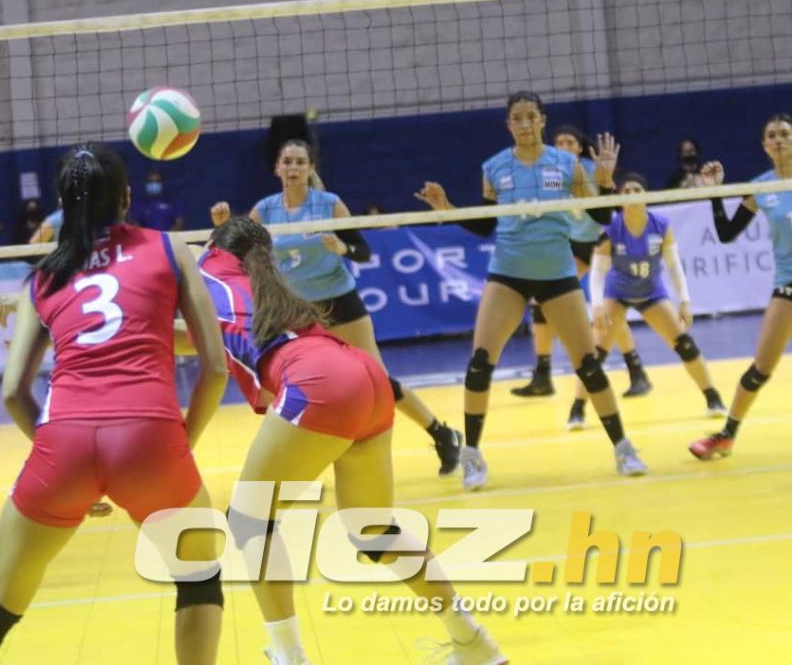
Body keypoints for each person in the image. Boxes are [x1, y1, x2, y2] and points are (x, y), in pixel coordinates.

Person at [0, 145, 229, 665]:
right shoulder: (169, 248)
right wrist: (182, 442)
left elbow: (12, 391)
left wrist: (56, 455)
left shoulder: (43, 276)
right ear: (127, 197)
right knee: (199, 580)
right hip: (150, 438)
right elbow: (214, 367)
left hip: (63, 441)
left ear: (61, 204)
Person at [176, 216, 506, 665]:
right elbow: (204, 339)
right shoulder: (269, 286)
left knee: (251, 521)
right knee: (374, 530)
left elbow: (184, 281)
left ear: (216, 244)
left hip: (317, 382)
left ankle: (289, 656)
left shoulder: (205, 265)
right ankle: (473, 642)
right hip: (366, 376)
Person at [415, 90, 648, 491]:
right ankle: (472, 455)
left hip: (557, 273)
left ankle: (623, 448)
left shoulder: (568, 164)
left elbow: (600, 216)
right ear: (509, 125)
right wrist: (448, 209)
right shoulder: (494, 167)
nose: (524, 124)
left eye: (531, 116)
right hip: (508, 273)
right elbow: (486, 224)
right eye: (517, 118)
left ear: (542, 120)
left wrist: (606, 182)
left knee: (588, 365)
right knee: (479, 363)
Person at [210, 139, 462, 476]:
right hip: (297, 311)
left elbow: (363, 252)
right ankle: (296, 462)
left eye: (300, 162)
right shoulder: (265, 210)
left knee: (378, 380)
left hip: (338, 301)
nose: (293, 168)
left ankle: (442, 433)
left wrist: (341, 248)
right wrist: (223, 225)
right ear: (277, 168)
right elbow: (234, 254)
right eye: (288, 162)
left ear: (311, 168)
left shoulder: (329, 204)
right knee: (296, 385)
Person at [567, 172, 726, 429]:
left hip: (652, 292)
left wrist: (685, 301)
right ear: (619, 198)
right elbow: (597, 272)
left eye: (637, 189)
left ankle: (713, 397)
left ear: (647, 195)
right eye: (626, 191)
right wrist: (596, 306)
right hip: (618, 294)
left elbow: (674, 266)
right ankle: (577, 409)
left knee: (685, 344)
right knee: (595, 355)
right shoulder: (611, 228)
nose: (631, 194)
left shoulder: (661, 225)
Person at [511, 125, 651, 399]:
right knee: (541, 301)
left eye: (570, 142)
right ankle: (542, 376)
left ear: (579, 147)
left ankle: (637, 372)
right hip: (573, 244)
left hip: (602, 241)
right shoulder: (549, 173)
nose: (564, 147)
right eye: (560, 143)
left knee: (610, 309)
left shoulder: (592, 169)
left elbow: (607, 204)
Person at [689, 114, 792, 459]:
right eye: (772, 135)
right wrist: (715, 193)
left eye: (785, 134)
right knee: (761, 368)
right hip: (787, 287)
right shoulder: (761, 187)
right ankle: (726, 436)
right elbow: (727, 233)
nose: (779, 140)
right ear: (764, 145)